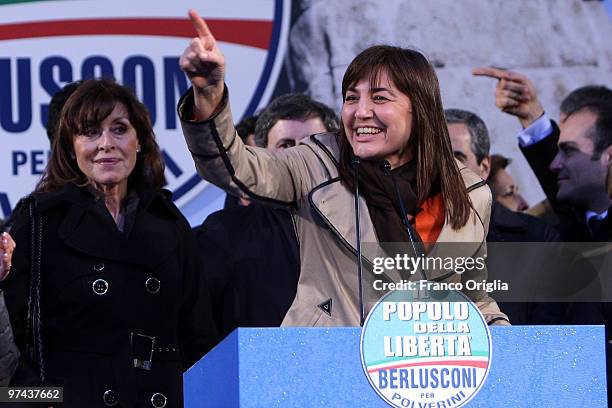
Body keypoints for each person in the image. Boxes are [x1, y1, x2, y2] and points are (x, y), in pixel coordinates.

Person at [178, 11, 509, 326]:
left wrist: (508, 340)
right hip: (326, 367)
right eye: (352, 98)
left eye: (379, 98)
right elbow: (234, 167)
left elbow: (471, 296)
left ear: (419, 109)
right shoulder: (315, 163)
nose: (360, 112)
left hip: (421, 375)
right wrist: (208, 98)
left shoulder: (469, 193)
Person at [1, 79, 217, 407]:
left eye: (119, 129)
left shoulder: (171, 224)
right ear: (70, 148)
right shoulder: (38, 222)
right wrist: (46, 403)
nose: (106, 143)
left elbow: (200, 340)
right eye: (90, 132)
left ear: (139, 141)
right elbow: (11, 350)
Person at [195, 93, 338, 338]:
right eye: (285, 146)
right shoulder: (224, 234)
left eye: (312, 145)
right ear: (262, 158)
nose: (299, 158)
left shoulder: (368, 224)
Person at [445, 108, 562, 325]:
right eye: (433, 157)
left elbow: (550, 340)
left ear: (484, 167)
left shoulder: (536, 240)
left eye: (456, 157)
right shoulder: (395, 235)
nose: (443, 169)